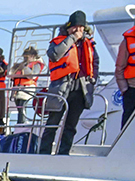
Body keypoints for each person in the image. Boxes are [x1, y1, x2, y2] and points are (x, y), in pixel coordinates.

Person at [39, 11, 99, 155]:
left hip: (81, 88)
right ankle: (44, 153)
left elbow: (95, 62)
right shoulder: (58, 41)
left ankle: (63, 153)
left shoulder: (89, 44)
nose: (78, 30)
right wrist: (71, 39)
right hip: (61, 86)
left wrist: (93, 79)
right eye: (75, 27)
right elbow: (54, 55)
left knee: (71, 125)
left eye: (81, 27)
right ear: (69, 27)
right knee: (52, 123)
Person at [10, 47, 45, 124]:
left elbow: (33, 76)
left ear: (33, 55)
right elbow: (11, 75)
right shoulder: (22, 64)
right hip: (17, 89)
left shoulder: (36, 65)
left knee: (22, 108)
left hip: (27, 89)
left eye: (27, 57)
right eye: (24, 57)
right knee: (19, 109)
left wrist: (24, 68)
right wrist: (14, 68)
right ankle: (20, 124)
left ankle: (21, 124)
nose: (25, 58)